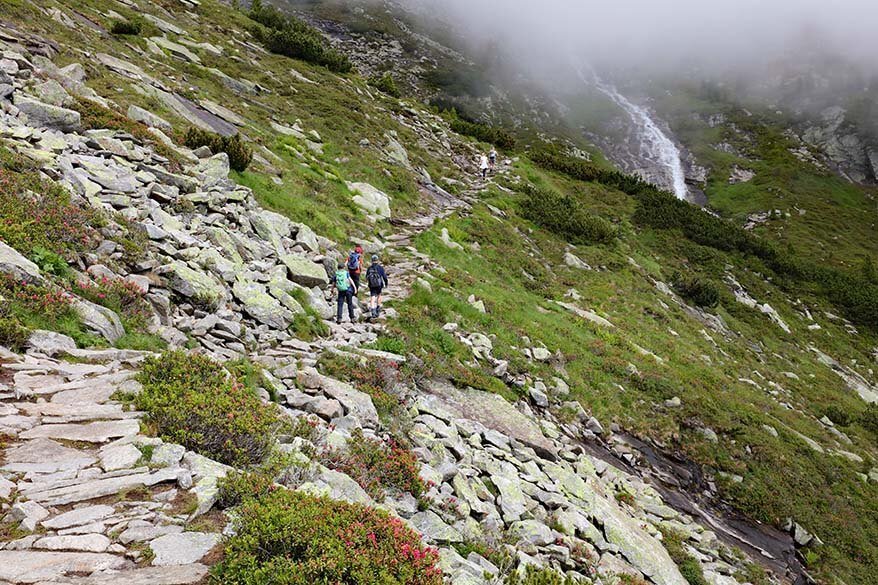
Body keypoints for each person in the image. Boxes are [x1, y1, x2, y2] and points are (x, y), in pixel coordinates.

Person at [365, 254, 388, 319]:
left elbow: (366, 277)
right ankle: (378, 309)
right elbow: (384, 277)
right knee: (379, 295)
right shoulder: (380, 268)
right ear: (377, 260)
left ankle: (373, 311)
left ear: (372, 260)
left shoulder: (369, 268)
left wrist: (369, 283)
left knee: (372, 297)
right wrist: (386, 283)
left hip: (372, 285)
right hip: (379, 285)